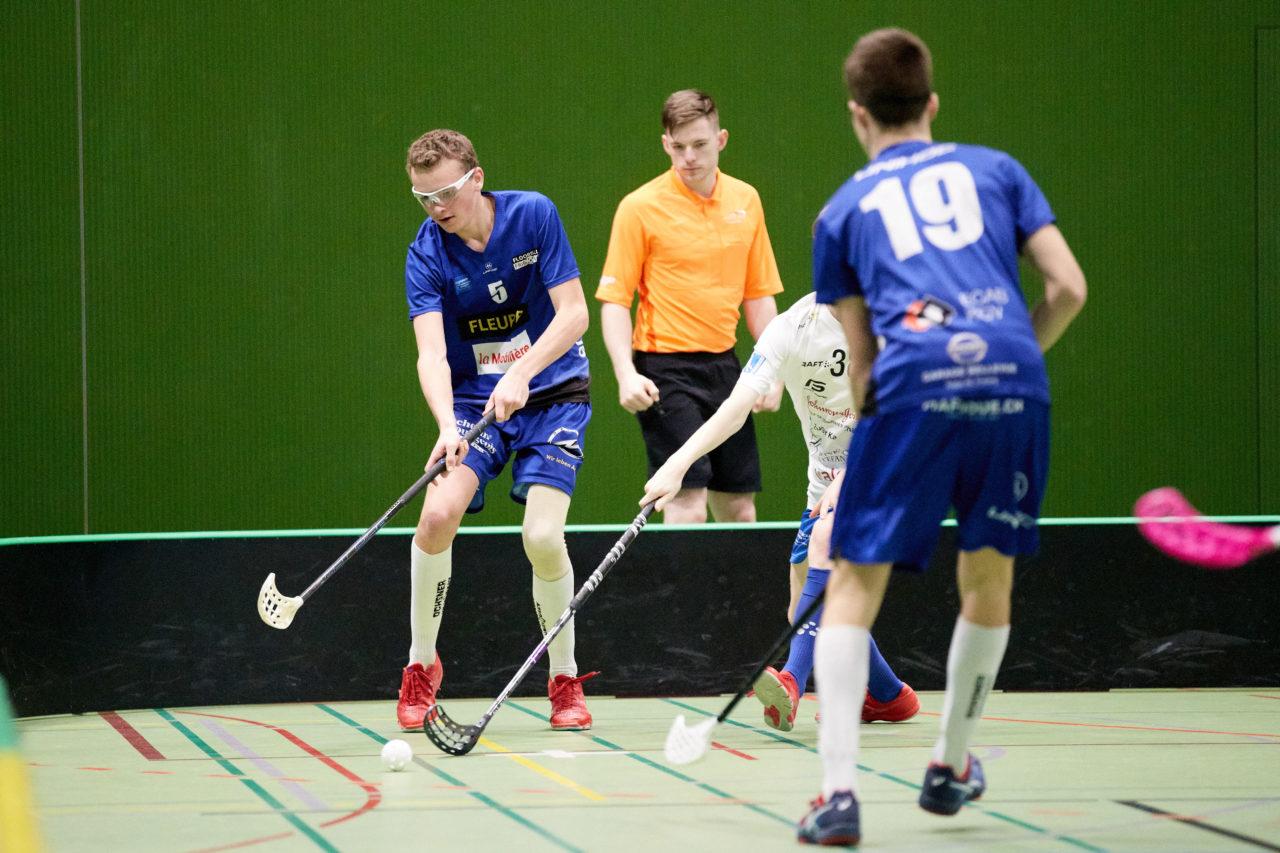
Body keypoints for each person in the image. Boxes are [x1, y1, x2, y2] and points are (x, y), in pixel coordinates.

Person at [796, 29, 1087, 846]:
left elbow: (861, 364)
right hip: (1015, 381)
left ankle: (838, 795)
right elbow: (1068, 286)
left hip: (911, 386)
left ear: (858, 115)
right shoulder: (998, 170)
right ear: (931, 104)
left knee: (854, 583)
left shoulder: (841, 210)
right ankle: (951, 764)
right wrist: (1015, 353)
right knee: (987, 576)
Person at [639, 292, 919, 732]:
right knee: (803, 608)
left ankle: (792, 678)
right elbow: (734, 410)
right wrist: (677, 465)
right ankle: (888, 696)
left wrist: (848, 480)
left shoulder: (891, 325)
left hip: (888, 465)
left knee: (825, 543)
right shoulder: (791, 328)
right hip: (823, 483)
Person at [397, 129, 598, 734]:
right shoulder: (427, 251)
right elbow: (430, 355)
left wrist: (524, 372)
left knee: (541, 536)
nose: (438, 208)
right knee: (435, 517)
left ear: (477, 178)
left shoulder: (533, 215)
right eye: (424, 197)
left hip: (553, 392)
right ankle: (421, 665)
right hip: (473, 402)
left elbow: (574, 314)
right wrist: (444, 424)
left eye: (448, 192)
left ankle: (563, 679)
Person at [596, 89, 786, 524]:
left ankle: (741, 595)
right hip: (664, 371)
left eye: (699, 145)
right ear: (666, 145)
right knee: (686, 498)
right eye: (678, 147)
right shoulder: (639, 207)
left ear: (720, 140)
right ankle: (687, 595)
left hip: (727, 367)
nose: (689, 157)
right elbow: (614, 300)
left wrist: (774, 369)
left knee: (738, 506)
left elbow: (758, 295)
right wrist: (626, 372)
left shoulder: (746, 200)